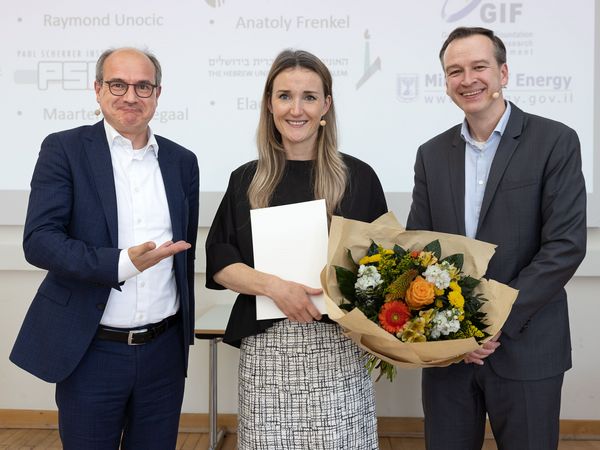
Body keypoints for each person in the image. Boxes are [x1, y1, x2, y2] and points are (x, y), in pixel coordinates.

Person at [406, 27, 587, 449]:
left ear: (503, 73)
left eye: (478, 67)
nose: (467, 79)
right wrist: (455, 331)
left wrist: (487, 321)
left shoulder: (555, 141)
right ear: (447, 83)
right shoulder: (430, 155)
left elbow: (564, 246)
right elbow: (420, 250)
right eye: (455, 71)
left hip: (528, 347)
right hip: (449, 351)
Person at [10, 47, 199, 450]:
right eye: (118, 84)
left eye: (142, 86)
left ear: (158, 93)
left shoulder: (182, 161)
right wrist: (119, 264)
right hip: (91, 351)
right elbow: (39, 239)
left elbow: (186, 256)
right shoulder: (64, 149)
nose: (130, 96)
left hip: (163, 354)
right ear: (97, 90)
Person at [205, 49, 387, 449]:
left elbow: (385, 269)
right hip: (268, 351)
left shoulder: (359, 177)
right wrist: (274, 287)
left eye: (309, 96)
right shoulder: (246, 180)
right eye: (285, 96)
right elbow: (219, 260)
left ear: (326, 105)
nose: (296, 109)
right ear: (269, 104)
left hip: (341, 348)